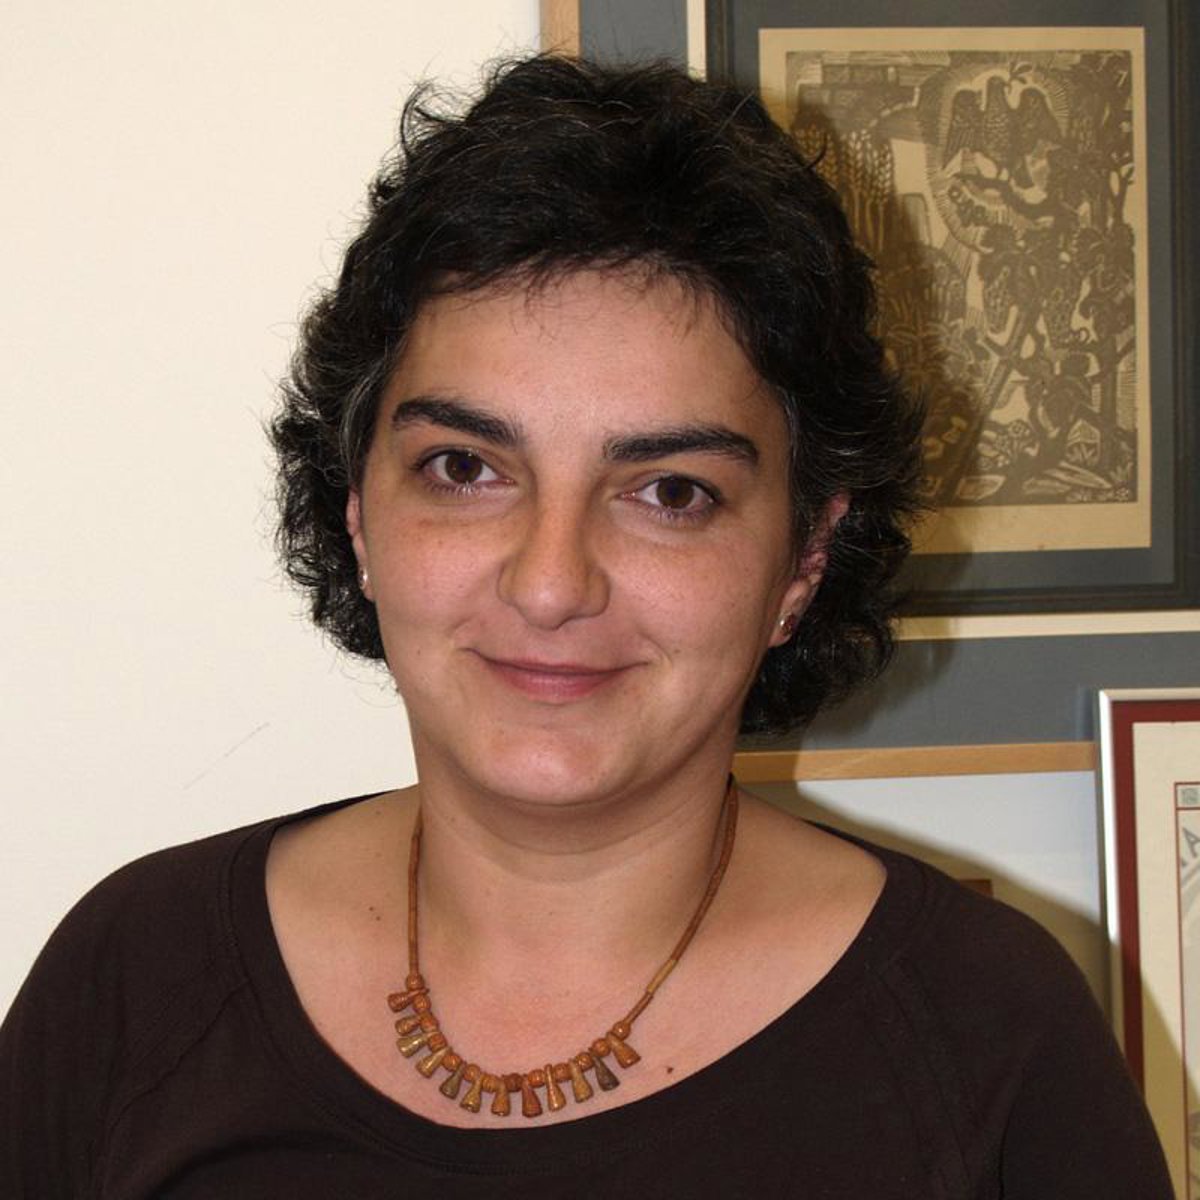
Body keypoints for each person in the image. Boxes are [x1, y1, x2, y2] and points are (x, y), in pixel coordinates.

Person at [0, 55, 1170, 1197]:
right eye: (465, 468)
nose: (552, 584)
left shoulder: (988, 1042)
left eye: (671, 492)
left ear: (805, 558)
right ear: (357, 511)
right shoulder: (137, 980)